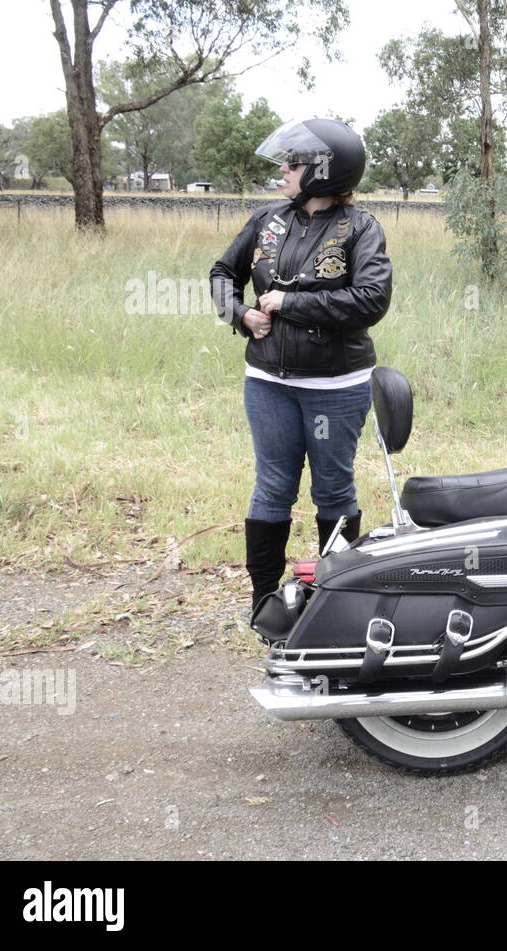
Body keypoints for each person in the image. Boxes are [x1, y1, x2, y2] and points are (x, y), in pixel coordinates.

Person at [209, 118, 392, 612]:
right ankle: (263, 597)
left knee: (332, 486)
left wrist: (289, 304)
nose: (284, 169)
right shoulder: (268, 219)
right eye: (287, 161)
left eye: (296, 162)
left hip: (336, 385)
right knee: (272, 486)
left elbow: (372, 299)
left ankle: (339, 599)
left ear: (326, 172)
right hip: (267, 381)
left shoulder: (360, 228)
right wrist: (242, 313)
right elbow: (223, 272)